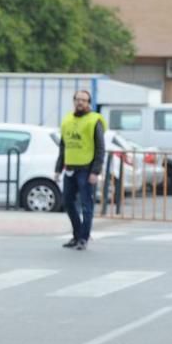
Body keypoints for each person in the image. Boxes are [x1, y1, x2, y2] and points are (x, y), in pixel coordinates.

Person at [54, 90, 105, 251]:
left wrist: (95, 171)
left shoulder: (94, 120)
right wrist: (58, 169)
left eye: (84, 100)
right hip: (70, 168)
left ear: (89, 102)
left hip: (86, 169)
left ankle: (83, 238)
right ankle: (77, 235)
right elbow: (64, 146)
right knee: (68, 203)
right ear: (74, 101)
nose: (80, 103)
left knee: (86, 205)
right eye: (78, 100)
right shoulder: (67, 120)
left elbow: (100, 148)